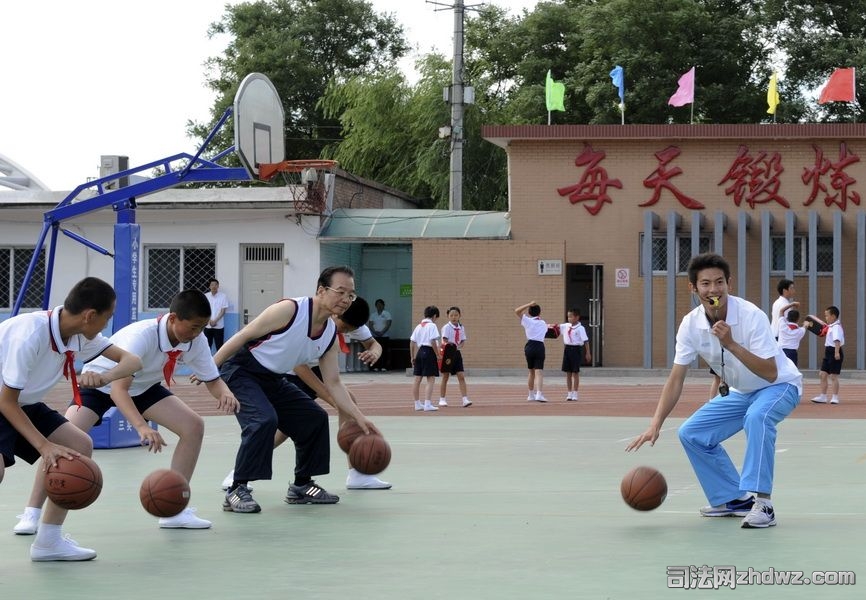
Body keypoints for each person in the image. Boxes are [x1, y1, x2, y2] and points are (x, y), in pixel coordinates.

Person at [14, 290, 240, 534]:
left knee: (193, 426)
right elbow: (118, 391)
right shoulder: (141, 336)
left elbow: (212, 379)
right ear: (173, 318)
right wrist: (141, 427)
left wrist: (225, 392)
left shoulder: (195, 340)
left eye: (202, 328)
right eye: (194, 327)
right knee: (64, 442)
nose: (197, 333)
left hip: (143, 388)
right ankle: (31, 513)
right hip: (100, 385)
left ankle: (175, 509)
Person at [627, 253, 802, 529]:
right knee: (691, 433)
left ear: (729, 283)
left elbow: (770, 371)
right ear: (693, 288)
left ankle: (764, 504)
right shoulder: (690, 324)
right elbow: (676, 379)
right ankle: (732, 498)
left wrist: (731, 343)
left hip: (779, 386)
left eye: (719, 282)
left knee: (758, 417)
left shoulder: (750, 315)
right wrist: (655, 424)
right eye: (705, 284)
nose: (713, 290)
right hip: (743, 392)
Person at [215, 266, 379, 513]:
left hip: (273, 378)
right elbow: (244, 334)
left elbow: (333, 383)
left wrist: (360, 417)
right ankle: (237, 489)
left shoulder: (330, 334)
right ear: (321, 290)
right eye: (341, 292)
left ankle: (302, 486)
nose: (346, 299)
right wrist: (211, 367)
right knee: (263, 420)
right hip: (241, 370)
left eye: (351, 295)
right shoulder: (291, 310)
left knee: (314, 418)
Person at [1, 277, 142, 561]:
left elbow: (132, 361)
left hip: (23, 402)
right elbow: (6, 401)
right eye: (107, 318)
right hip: (6, 401)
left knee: (79, 446)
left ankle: (48, 542)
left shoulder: (77, 335)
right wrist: (44, 446)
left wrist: (104, 376)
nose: (107, 325)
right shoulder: (30, 333)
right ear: (90, 315)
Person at [438, 306, 471, 408]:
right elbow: (444, 340)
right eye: (451, 315)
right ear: (448, 316)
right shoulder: (446, 327)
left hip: (457, 354)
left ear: (459, 315)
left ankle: (465, 399)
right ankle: (442, 399)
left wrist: (459, 346)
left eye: (456, 315)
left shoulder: (461, 327)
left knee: (461, 375)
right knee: (445, 376)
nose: (454, 317)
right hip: (448, 354)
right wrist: (451, 346)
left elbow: (462, 340)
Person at [515, 301, 548, 402]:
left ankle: (530, 395)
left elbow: (517, 311)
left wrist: (529, 304)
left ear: (529, 312)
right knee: (539, 372)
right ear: (539, 313)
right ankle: (539, 394)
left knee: (531, 372)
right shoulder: (543, 323)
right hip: (539, 346)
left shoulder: (527, 321)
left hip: (529, 346)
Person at [811, 305, 844, 405]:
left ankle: (835, 397)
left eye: (827, 316)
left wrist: (837, 352)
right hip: (828, 352)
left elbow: (837, 340)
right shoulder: (831, 326)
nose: (825, 318)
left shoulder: (836, 327)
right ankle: (823, 396)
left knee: (833, 376)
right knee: (822, 374)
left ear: (833, 316)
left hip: (834, 351)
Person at [410, 305, 441, 412]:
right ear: (435, 316)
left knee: (417, 379)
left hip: (419, 352)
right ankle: (427, 403)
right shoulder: (432, 326)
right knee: (430, 378)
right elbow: (433, 341)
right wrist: (437, 354)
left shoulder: (419, 326)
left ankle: (417, 403)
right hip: (429, 352)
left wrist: (412, 356)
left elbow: (412, 341)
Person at [556, 308, 590, 402]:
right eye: (568, 316)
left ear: (577, 317)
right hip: (567, 349)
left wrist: (588, 353)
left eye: (571, 316)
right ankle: (569, 393)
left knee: (575, 372)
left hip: (576, 349)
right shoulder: (566, 326)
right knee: (568, 373)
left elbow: (586, 341)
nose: (569, 318)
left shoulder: (580, 328)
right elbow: (556, 327)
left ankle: (575, 393)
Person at [204, 278, 230, 352]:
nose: (214, 286)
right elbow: (204, 310)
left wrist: (215, 321)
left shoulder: (223, 296)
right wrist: (209, 321)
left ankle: (219, 363)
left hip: (219, 326)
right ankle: (207, 363)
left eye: (215, 285)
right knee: (206, 346)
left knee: (219, 346)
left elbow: (223, 311)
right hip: (208, 325)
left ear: (218, 286)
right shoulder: (206, 296)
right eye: (212, 285)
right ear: (209, 286)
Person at [367, 299, 392, 372]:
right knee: (375, 352)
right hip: (375, 336)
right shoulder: (373, 315)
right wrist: (375, 332)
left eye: (380, 304)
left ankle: (384, 366)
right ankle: (375, 366)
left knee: (384, 352)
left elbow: (388, 324)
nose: (379, 306)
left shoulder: (387, 314)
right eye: (377, 305)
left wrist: (382, 332)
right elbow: (370, 324)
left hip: (384, 336)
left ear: (383, 305)